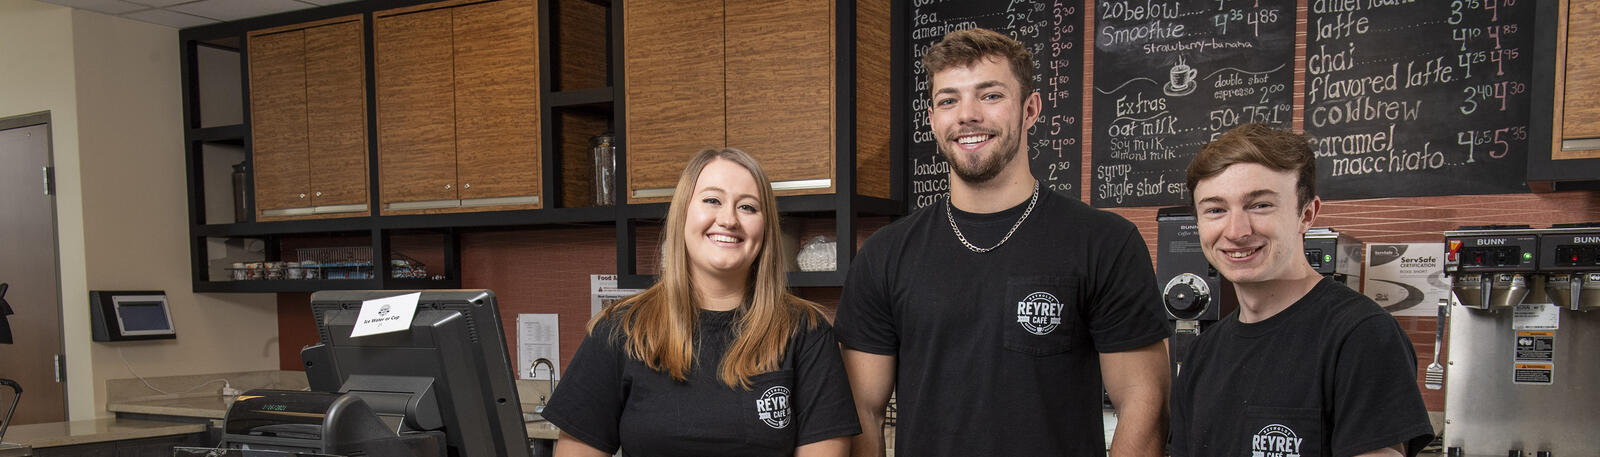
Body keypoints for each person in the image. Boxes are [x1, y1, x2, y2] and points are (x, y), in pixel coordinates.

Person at [834, 28, 1172, 457]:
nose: (967, 115)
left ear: (1030, 109)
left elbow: (1144, 404)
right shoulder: (884, 255)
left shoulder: (1104, 241)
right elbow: (863, 411)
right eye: (948, 100)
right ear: (933, 119)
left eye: (990, 95)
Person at [543, 148, 860, 457]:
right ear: (682, 214)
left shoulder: (807, 332)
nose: (728, 219)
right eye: (712, 200)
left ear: (766, 229)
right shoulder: (620, 329)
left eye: (747, 207)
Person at [1170, 123, 1434, 457]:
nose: (1236, 231)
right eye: (1216, 210)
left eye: (1260, 205)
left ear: (1306, 214)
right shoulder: (1201, 353)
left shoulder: (1360, 336)